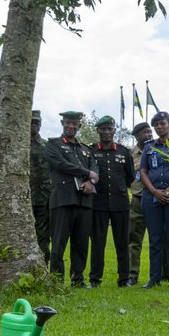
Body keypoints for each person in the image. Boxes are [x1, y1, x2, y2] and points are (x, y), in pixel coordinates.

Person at [45, 110, 97, 288]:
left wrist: (90, 181)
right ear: (62, 123)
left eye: (74, 124)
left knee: (81, 244)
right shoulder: (53, 145)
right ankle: (56, 281)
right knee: (58, 244)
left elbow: (95, 170)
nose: (70, 126)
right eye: (67, 123)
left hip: (85, 202)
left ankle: (78, 280)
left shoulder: (85, 149)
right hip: (63, 200)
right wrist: (86, 173)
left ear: (79, 126)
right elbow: (60, 164)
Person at [139, 111, 169, 288]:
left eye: (163, 123)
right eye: (156, 124)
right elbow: (143, 171)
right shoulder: (148, 146)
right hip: (151, 197)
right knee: (155, 238)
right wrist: (154, 191)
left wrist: (167, 192)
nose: (160, 127)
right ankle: (154, 278)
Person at [88, 115, 134, 288]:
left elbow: (130, 177)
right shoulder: (91, 151)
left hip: (120, 203)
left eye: (110, 129)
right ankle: (95, 280)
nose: (106, 132)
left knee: (122, 243)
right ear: (98, 130)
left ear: (114, 131)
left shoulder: (123, 152)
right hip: (98, 203)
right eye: (103, 129)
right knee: (98, 243)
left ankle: (124, 279)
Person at [126, 121, 152, 286]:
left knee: (159, 239)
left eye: (150, 132)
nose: (149, 134)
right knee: (134, 240)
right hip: (138, 199)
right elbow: (126, 177)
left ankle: (161, 275)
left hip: (156, 200)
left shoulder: (159, 150)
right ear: (137, 136)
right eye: (145, 132)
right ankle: (132, 275)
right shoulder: (130, 155)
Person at [28, 110, 50, 261]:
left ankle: (43, 265)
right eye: (31, 122)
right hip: (24, 198)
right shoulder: (18, 146)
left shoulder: (47, 146)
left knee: (43, 235)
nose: (33, 126)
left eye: (36, 123)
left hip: (44, 198)